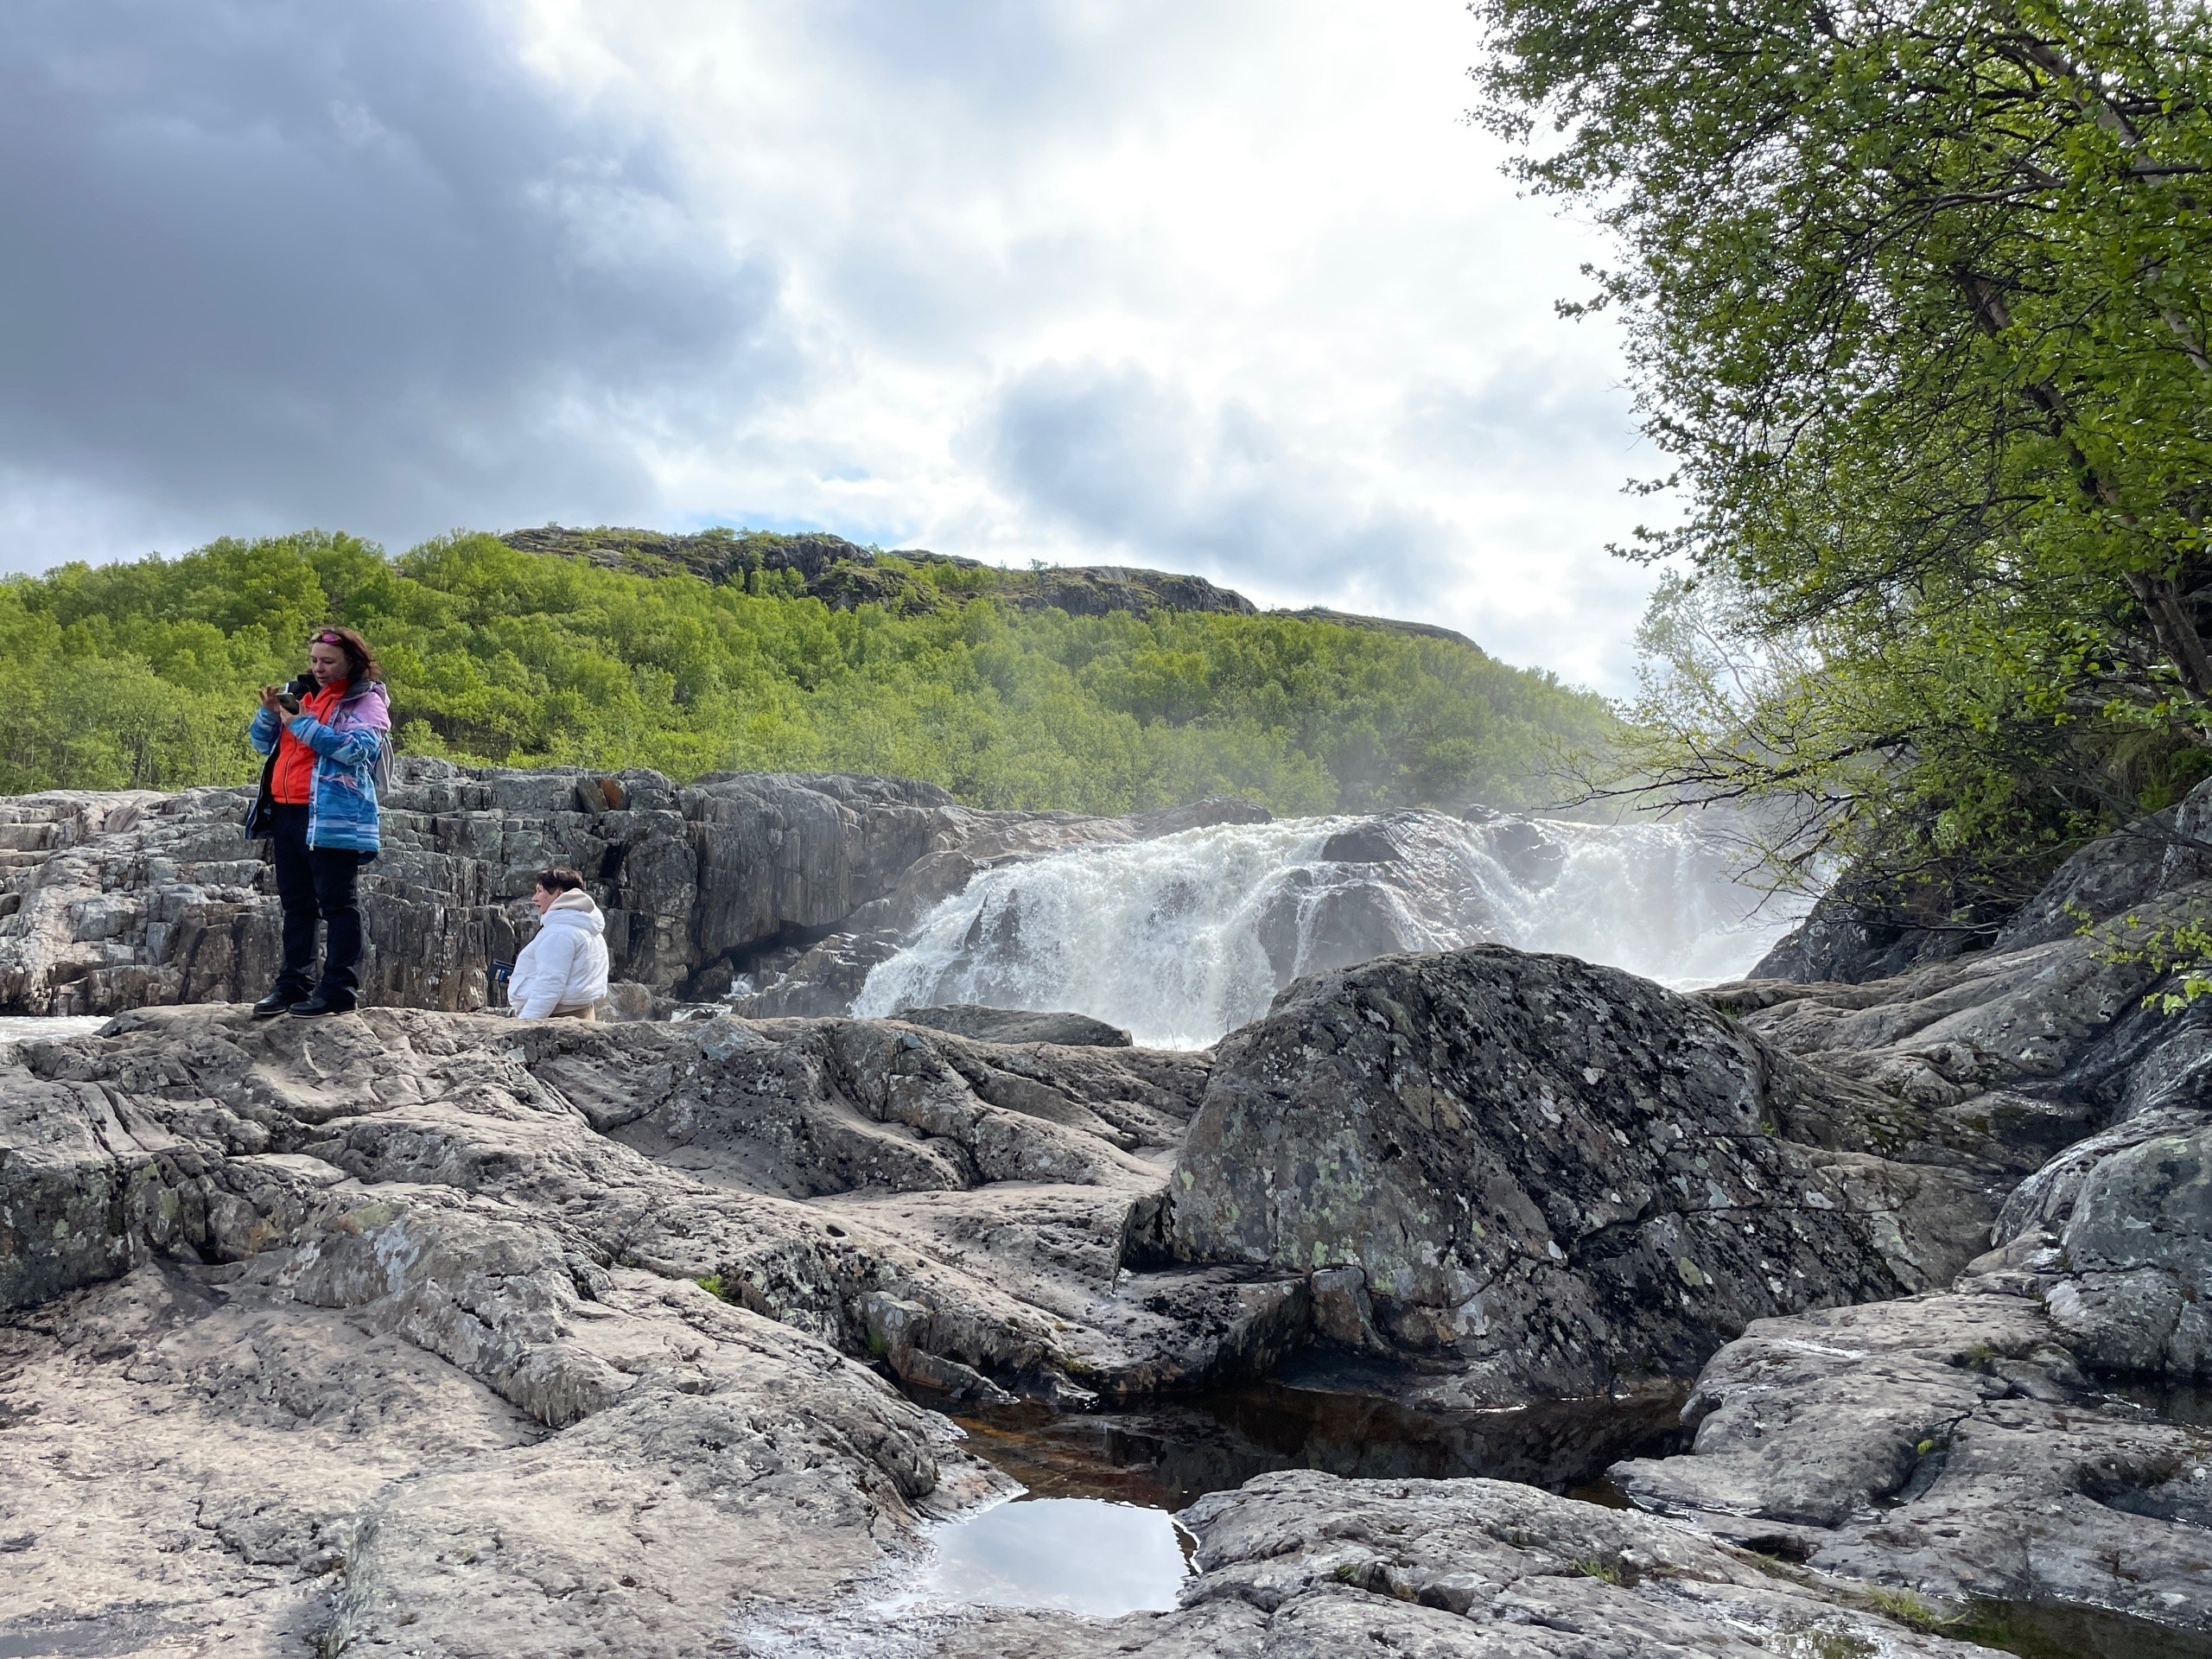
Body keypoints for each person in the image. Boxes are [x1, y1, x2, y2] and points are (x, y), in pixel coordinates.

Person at [244, 626, 391, 1017]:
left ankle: (339, 991)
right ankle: (293, 986)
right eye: (314, 661)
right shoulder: (302, 693)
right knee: (296, 904)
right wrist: (269, 713)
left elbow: (357, 751)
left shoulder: (366, 699)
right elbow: (261, 744)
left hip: (333, 814)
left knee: (339, 904)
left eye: (328, 662)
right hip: (286, 809)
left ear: (351, 662)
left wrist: (303, 725)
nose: (319, 668)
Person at [506, 868, 609, 1019]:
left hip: (559, 1016)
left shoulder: (560, 933)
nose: (534, 898)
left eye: (540, 891)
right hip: (583, 1012)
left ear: (559, 893)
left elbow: (550, 984)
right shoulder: (586, 924)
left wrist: (525, 1023)